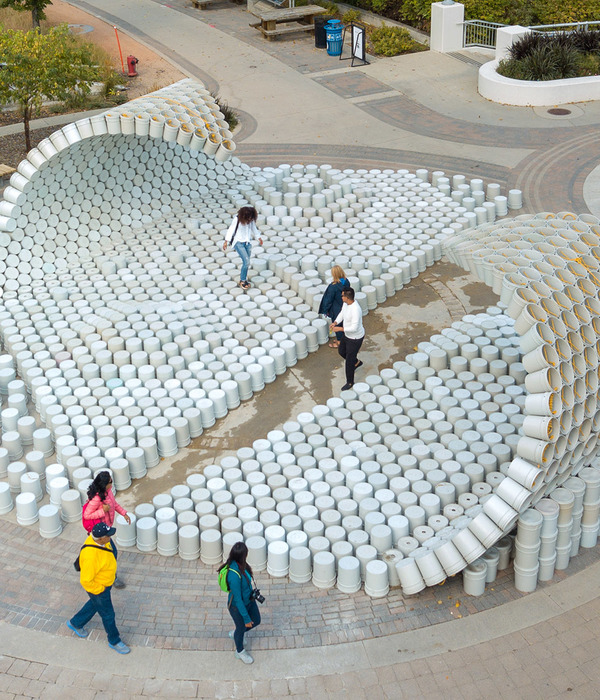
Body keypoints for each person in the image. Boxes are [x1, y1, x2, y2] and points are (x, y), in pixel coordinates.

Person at [66, 522, 130, 654]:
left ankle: (76, 623)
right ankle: (114, 640)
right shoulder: (91, 556)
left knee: (94, 605)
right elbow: (86, 580)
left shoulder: (103, 541)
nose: (111, 537)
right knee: (108, 615)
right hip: (99, 588)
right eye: (108, 535)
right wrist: (100, 589)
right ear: (100, 538)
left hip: (104, 584)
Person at [83, 471, 131, 589]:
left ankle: (105, 574)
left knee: (107, 554)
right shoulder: (96, 499)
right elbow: (87, 515)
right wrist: (102, 511)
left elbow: (114, 505)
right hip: (100, 532)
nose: (112, 484)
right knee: (111, 553)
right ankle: (111, 577)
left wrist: (123, 513)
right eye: (110, 482)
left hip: (106, 528)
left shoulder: (108, 492)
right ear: (104, 484)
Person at [219, 541, 261, 664]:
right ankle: (240, 651)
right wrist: (246, 619)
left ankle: (237, 633)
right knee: (242, 627)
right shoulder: (233, 575)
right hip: (237, 607)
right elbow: (238, 600)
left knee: (257, 620)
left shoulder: (242, 565)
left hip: (249, 601)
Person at [330, 287, 365, 391]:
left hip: (355, 338)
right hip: (348, 334)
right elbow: (342, 313)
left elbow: (354, 328)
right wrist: (335, 322)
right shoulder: (346, 304)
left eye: (342, 295)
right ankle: (357, 362)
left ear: (347, 297)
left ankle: (350, 382)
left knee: (349, 362)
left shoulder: (356, 310)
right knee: (341, 351)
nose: (341, 297)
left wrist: (340, 329)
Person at [222, 206, 263, 290]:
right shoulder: (237, 220)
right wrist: (226, 241)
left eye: (251, 219)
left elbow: (253, 228)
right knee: (246, 261)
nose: (249, 221)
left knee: (246, 263)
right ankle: (242, 280)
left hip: (247, 243)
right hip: (238, 243)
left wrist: (258, 237)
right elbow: (231, 230)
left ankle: (244, 279)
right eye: (248, 219)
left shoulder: (250, 220)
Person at [318, 265, 350, 349]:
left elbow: (328, 299)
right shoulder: (346, 282)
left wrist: (325, 310)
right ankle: (343, 340)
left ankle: (339, 343)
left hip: (336, 308)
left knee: (337, 325)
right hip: (345, 305)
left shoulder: (333, 286)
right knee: (344, 324)